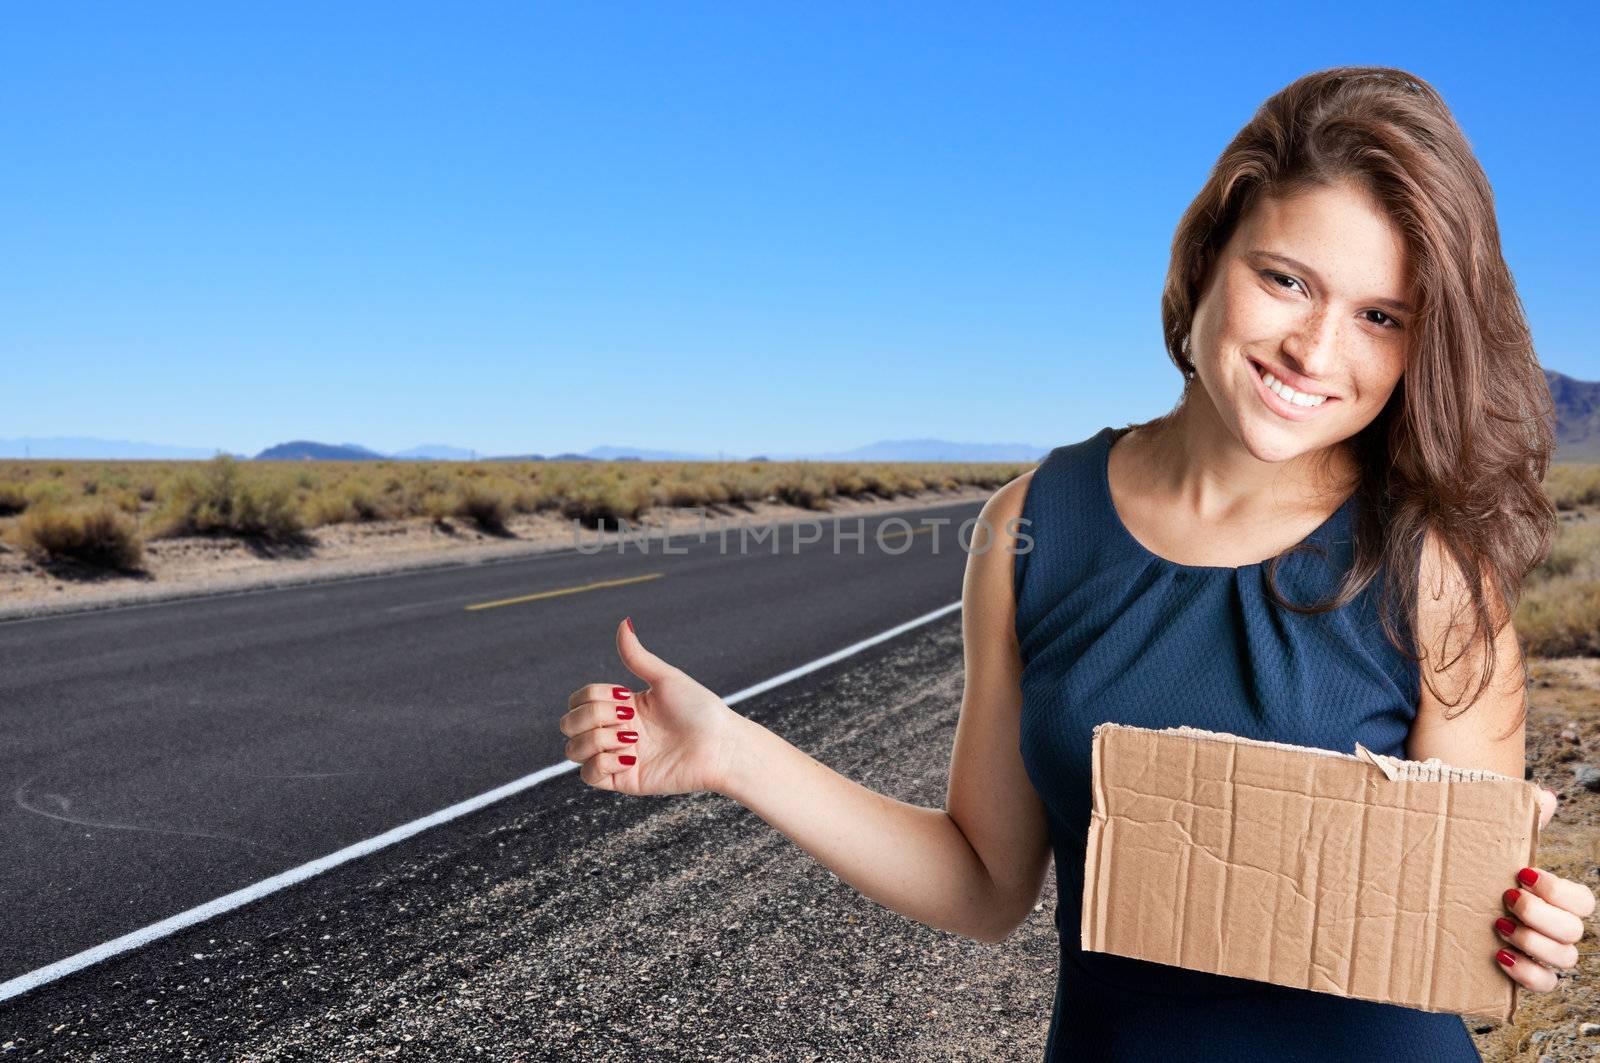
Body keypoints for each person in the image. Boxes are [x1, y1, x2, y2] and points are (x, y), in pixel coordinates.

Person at [558, 65, 1595, 1060]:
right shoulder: (1032, 524)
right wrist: (731, 753)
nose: (1316, 350)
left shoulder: (1435, 571)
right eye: (1285, 279)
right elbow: (982, 883)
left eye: (1380, 317)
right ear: (1204, 261)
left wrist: (1521, 935)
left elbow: (1464, 937)